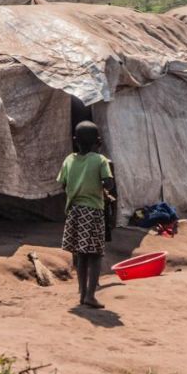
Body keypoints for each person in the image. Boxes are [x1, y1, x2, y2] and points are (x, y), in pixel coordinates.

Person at [57, 120, 116, 308]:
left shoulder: (68, 160)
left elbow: (63, 184)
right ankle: (91, 295)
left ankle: (82, 293)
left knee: (81, 254)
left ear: (75, 141)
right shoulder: (100, 160)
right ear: (98, 142)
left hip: (74, 212)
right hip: (93, 212)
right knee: (95, 255)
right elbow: (108, 184)